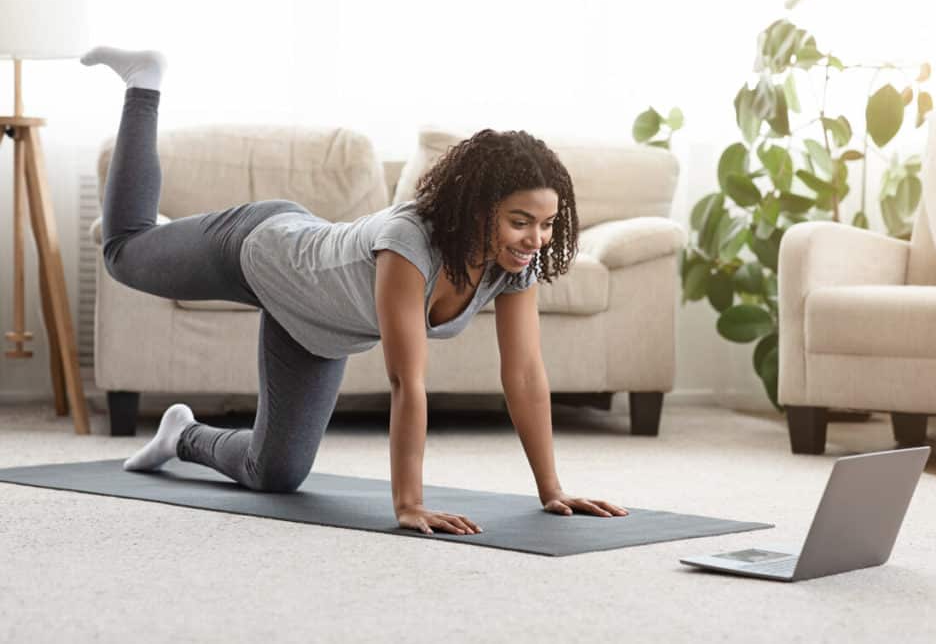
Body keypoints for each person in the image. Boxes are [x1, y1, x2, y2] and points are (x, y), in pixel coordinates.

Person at [81, 46, 629, 536]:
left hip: (313, 324)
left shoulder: (512, 265)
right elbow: (405, 380)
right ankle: (143, 84)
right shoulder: (408, 242)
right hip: (259, 249)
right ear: (480, 209)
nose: (536, 239)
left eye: (548, 223)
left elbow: (526, 374)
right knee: (124, 254)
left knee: (275, 475)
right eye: (520, 221)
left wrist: (551, 489)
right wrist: (409, 504)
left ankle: (181, 435)